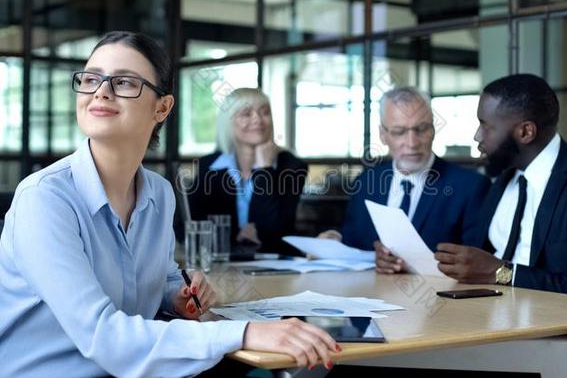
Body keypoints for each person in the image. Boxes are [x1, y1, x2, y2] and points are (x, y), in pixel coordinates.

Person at [0, 31, 339, 377]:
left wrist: (175, 294)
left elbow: (156, 281)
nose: (101, 91)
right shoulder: (45, 199)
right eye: (91, 79)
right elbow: (104, 335)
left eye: (125, 82)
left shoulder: (159, 194)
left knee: (311, 369)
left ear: (162, 107)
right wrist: (247, 331)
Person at [434, 73, 567, 299]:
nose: (477, 137)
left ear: (525, 132)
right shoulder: (504, 177)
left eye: (485, 126)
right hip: (482, 316)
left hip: (554, 329)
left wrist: (505, 274)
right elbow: (479, 262)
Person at [320, 87, 490, 274]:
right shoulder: (367, 181)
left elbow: (476, 264)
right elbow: (355, 244)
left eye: (421, 129)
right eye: (399, 132)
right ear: (382, 135)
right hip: (372, 296)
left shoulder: (470, 187)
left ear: (433, 129)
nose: (412, 142)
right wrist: (335, 242)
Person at [188, 88, 307, 256]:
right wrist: (236, 235)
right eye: (246, 113)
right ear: (228, 122)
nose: (258, 119)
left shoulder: (291, 166)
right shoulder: (209, 165)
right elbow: (192, 224)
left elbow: (273, 231)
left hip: (275, 266)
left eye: (265, 112)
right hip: (222, 263)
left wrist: (264, 169)